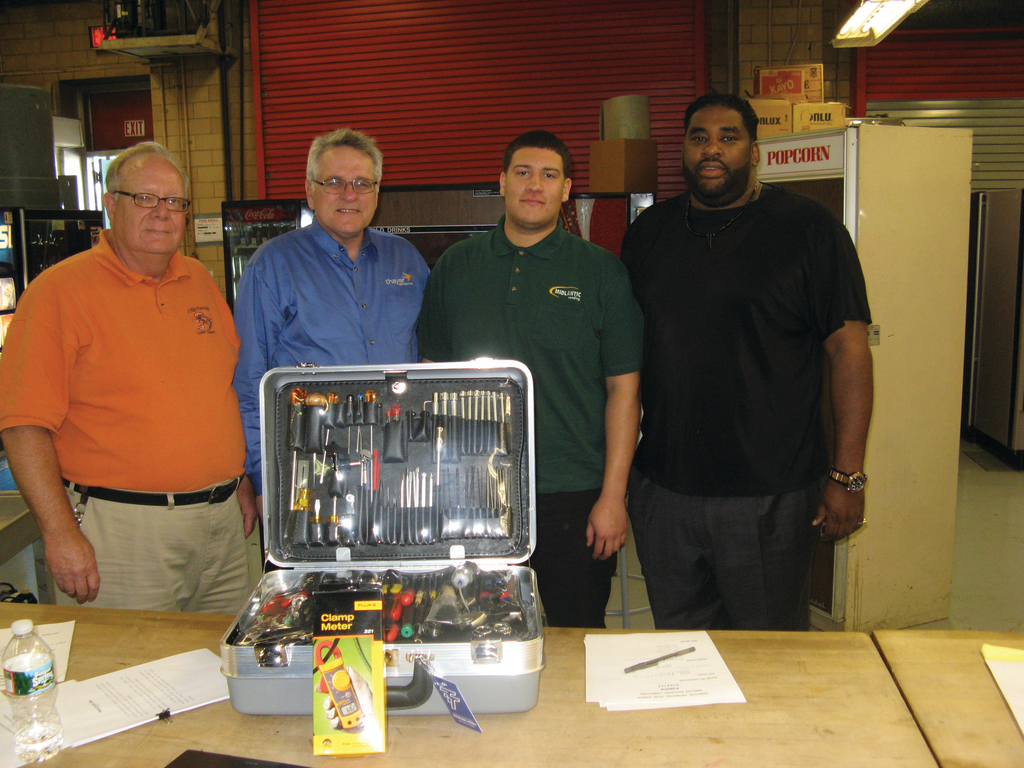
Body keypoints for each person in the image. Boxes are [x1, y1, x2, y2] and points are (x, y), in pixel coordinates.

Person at [621, 93, 874, 631]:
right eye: (698, 138)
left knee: (770, 655)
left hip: (771, 495)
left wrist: (847, 477)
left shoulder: (810, 229)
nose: (712, 150)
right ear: (684, 151)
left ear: (754, 151)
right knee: (682, 652)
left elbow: (848, 351)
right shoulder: (649, 233)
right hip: (665, 492)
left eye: (728, 137)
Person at [0, 142, 255, 613]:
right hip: (121, 536)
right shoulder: (57, 293)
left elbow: (219, 391)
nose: (162, 213)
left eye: (175, 202)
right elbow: (22, 426)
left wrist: (237, 477)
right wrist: (59, 533)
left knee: (222, 672)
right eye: (144, 198)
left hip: (221, 531)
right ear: (110, 203)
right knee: (128, 676)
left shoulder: (198, 280)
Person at [417, 130, 643, 627]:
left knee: (578, 632)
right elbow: (429, 384)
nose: (534, 185)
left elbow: (624, 392)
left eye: (549, 175)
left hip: (573, 492)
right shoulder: (455, 267)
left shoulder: (600, 272)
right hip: (474, 493)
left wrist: (613, 496)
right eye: (522, 172)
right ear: (502, 183)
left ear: (567, 189)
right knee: (477, 633)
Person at [232, 128, 428, 507]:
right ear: (310, 190)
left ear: (377, 192)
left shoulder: (407, 261)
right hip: (308, 467)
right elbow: (250, 382)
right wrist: (260, 478)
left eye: (362, 183)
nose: (349, 195)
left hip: (400, 466)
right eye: (334, 182)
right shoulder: (271, 266)